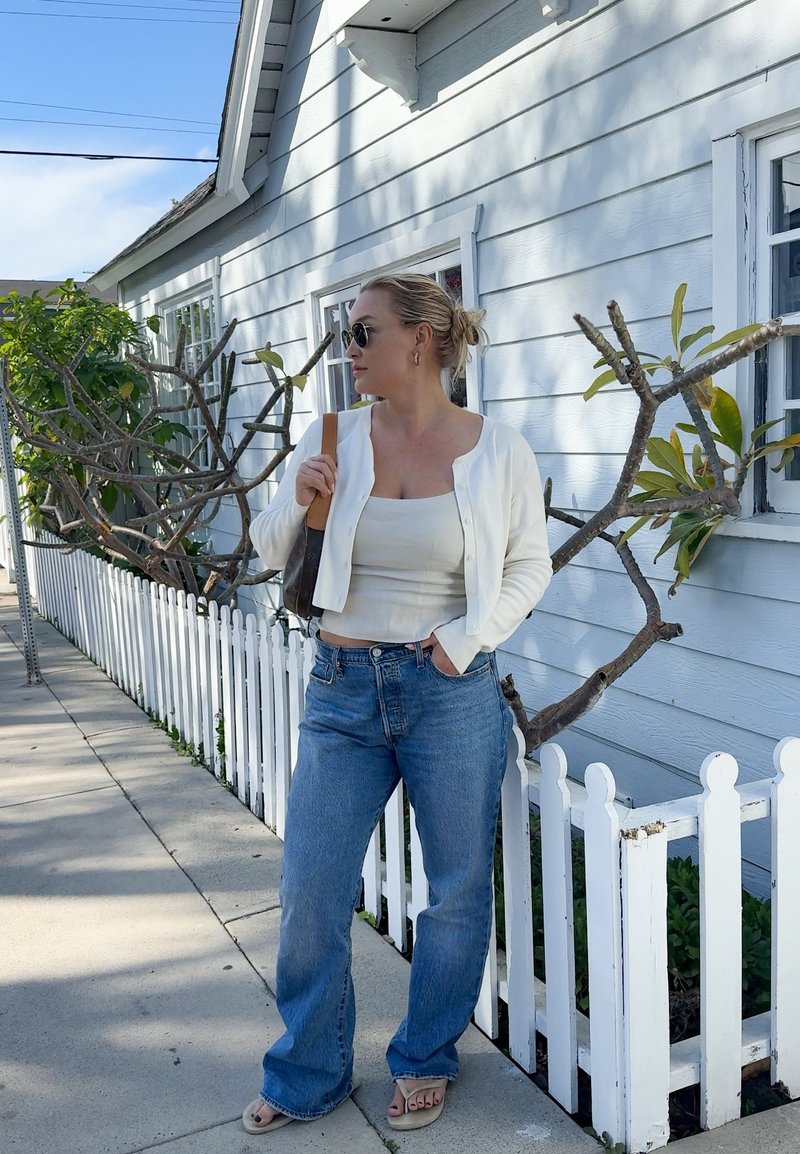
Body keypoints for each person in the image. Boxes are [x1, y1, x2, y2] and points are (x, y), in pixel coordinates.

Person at [244, 272, 552, 1134]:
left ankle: (425, 1055)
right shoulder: (335, 432)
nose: (349, 350)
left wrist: (469, 635)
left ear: (421, 340)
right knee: (310, 889)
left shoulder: (500, 450)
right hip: (341, 692)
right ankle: (307, 1070)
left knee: (453, 892)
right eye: (348, 334)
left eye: (363, 333)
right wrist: (302, 493)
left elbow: (531, 564)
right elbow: (274, 551)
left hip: (447, 690)